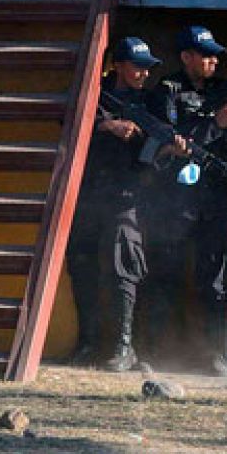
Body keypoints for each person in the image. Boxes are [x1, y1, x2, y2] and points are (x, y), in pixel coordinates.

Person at [144, 25, 227, 375]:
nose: (213, 61)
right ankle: (157, 349)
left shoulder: (221, 90)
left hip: (214, 194)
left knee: (214, 278)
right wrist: (214, 123)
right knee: (166, 271)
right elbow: (173, 140)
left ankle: (213, 352)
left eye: (216, 55)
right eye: (206, 55)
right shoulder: (169, 90)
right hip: (175, 194)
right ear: (186, 57)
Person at [69, 38, 163, 372]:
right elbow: (72, 122)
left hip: (128, 195)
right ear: (119, 65)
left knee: (126, 264)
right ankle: (88, 342)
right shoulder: (96, 96)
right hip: (91, 192)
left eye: (147, 67)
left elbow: (162, 147)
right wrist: (106, 126)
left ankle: (125, 346)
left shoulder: (153, 102)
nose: (143, 73)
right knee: (81, 264)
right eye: (138, 66)